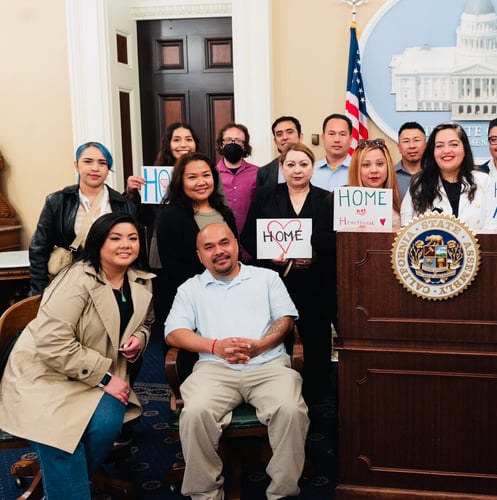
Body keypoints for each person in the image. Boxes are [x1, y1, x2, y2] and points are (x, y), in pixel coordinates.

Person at [0, 212, 153, 500]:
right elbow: (52, 343)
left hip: (95, 375)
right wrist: (105, 378)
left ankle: (62, 483)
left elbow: (147, 322)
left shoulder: (140, 281)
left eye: (132, 238)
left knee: (108, 423)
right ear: (98, 243)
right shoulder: (76, 280)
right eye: (116, 238)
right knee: (61, 439)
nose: (126, 244)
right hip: (47, 375)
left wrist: (139, 338)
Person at [165, 223, 308, 500]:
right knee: (194, 413)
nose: (219, 251)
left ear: (236, 244)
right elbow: (173, 333)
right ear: (200, 256)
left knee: (290, 409)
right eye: (209, 247)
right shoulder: (190, 289)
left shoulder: (266, 278)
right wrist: (215, 347)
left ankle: (282, 493)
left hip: (268, 365)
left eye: (224, 243)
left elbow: (286, 320)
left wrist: (261, 345)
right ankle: (206, 494)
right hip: (214, 369)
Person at [242, 143, 336, 403]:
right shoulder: (265, 196)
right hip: (276, 281)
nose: (297, 170)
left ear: (312, 168)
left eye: (303, 164)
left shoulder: (327, 199)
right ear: (282, 168)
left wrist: (316, 253)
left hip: (315, 284)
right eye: (291, 164)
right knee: (276, 338)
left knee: (316, 339)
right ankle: (275, 393)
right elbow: (248, 236)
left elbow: (336, 240)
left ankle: (316, 395)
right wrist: (268, 254)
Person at [28, 142, 136, 296]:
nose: (95, 168)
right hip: (70, 284)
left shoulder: (123, 204)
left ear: (108, 169)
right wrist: (40, 292)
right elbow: (39, 248)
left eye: (102, 163)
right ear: (77, 165)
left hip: (112, 283)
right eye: (88, 161)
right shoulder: (58, 201)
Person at [156, 152, 237, 335]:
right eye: (192, 177)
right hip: (188, 303)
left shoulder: (225, 212)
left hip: (228, 298)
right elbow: (173, 267)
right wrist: (205, 296)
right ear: (180, 181)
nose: (201, 182)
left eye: (206, 175)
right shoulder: (170, 216)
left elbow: (234, 252)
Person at [401, 122, 497, 230]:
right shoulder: (419, 184)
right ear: (432, 152)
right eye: (439, 146)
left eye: (454, 144)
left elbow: (493, 224)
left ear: (464, 149)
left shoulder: (484, 181)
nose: (446, 151)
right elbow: (407, 226)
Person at [215, 123, 258, 262]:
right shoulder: (210, 174)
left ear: (244, 146)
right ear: (221, 144)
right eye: (228, 140)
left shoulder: (258, 173)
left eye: (238, 141)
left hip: (252, 247)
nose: (233, 144)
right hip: (220, 248)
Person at [347, 138, 402, 229]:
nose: (374, 170)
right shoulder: (342, 204)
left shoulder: (402, 204)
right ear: (356, 169)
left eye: (379, 164)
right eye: (366, 165)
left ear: (388, 166)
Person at [258, 115, 303, 191]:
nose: (284, 137)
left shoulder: (314, 168)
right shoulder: (264, 172)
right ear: (275, 141)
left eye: (289, 132)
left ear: (300, 137)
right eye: (279, 134)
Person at [311, 113, 352, 190]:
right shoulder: (310, 170)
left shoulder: (360, 169)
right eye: (331, 134)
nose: (337, 140)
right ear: (323, 137)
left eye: (342, 134)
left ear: (350, 139)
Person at [394, 121, 426, 197]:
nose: (412, 146)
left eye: (416, 140)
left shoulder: (436, 173)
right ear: (399, 147)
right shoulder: (389, 175)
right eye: (406, 141)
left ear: (426, 145)